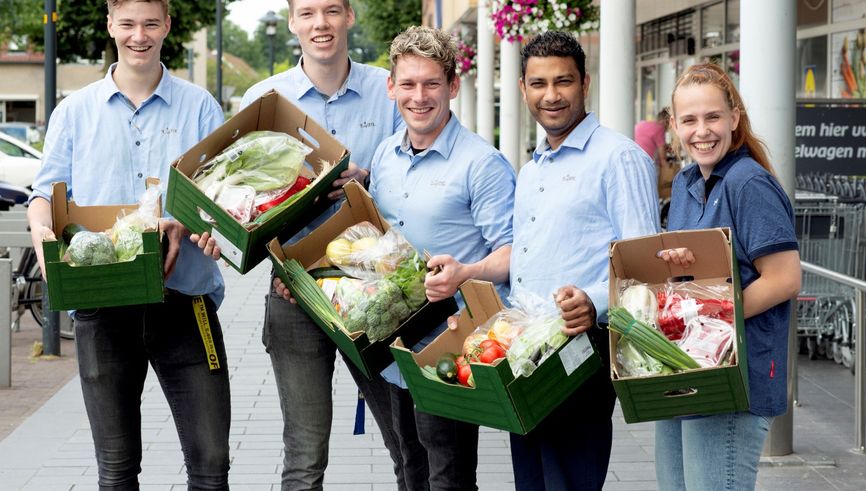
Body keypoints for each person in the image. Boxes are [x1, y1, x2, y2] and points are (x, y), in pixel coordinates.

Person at [26, 0, 231, 488]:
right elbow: (44, 193)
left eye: (151, 24)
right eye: (128, 24)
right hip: (101, 308)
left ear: (166, 26)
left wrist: (185, 224)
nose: (139, 35)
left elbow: (221, 196)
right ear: (111, 26)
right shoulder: (74, 111)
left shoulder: (200, 106)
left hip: (186, 302)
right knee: (116, 471)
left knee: (211, 465)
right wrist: (42, 234)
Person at [239, 1, 407, 489]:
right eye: (307, 12)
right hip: (295, 293)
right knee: (304, 454)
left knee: (406, 444)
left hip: (379, 293)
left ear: (350, 16)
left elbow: (419, 163)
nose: (321, 24)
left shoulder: (389, 89)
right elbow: (242, 200)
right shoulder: (264, 98)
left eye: (331, 10)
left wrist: (369, 177)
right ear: (292, 22)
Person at [369, 26, 516, 490]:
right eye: (408, 84)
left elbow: (515, 253)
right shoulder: (385, 155)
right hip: (394, 345)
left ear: (452, 86)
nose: (419, 97)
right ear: (391, 87)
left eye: (431, 83)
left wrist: (466, 273)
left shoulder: (482, 164)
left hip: (449, 349)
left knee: (447, 476)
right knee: (409, 469)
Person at [512, 31, 660, 489]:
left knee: (569, 480)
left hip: (581, 347)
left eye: (564, 82)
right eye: (538, 84)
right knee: (532, 482)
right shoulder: (533, 167)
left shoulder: (619, 159)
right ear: (522, 89)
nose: (551, 95)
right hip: (525, 351)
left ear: (585, 84)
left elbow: (646, 263)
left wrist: (595, 302)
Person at [654, 63, 801, 490]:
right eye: (689, 120)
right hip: (690, 367)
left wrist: (713, 316)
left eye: (713, 117)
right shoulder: (685, 183)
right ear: (674, 125)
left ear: (734, 117)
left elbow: (784, 278)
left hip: (734, 378)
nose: (702, 130)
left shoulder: (747, 183)